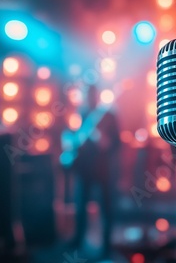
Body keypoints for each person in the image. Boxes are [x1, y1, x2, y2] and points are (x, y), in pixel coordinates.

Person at [68, 85, 120, 258]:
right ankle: (77, 241)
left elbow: (115, 144)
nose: (89, 98)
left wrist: (99, 137)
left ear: (97, 96)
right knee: (80, 206)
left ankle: (106, 247)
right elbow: (74, 140)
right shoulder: (80, 114)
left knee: (106, 208)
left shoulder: (108, 116)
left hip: (103, 171)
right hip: (83, 170)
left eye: (91, 95)